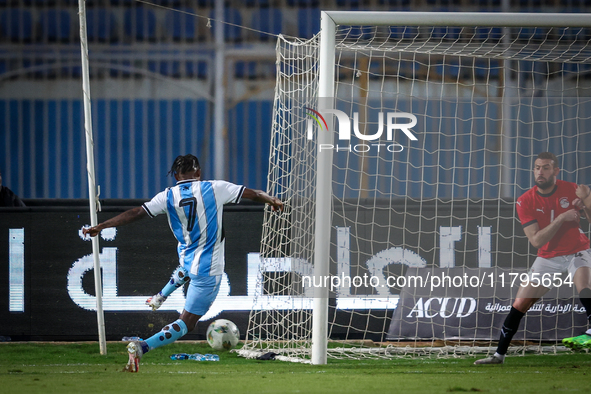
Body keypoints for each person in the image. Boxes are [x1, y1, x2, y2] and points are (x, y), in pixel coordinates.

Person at [83, 154, 283, 372]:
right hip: (209, 268)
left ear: (176, 175)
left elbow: (136, 212)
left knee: (186, 269)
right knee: (186, 323)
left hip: (187, 256)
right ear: (198, 173)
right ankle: (141, 347)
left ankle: (160, 296)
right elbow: (253, 194)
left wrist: (102, 226)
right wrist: (271, 199)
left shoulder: (167, 195)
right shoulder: (215, 188)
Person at [475, 152, 591, 365]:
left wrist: (586, 201)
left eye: (546, 167)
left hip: (577, 249)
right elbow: (537, 241)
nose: (540, 172)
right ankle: (498, 355)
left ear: (555, 171)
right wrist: (562, 218)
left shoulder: (571, 188)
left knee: (583, 284)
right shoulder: (525, 200)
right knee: (519, 304)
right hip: (547, 258)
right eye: (537, 167)